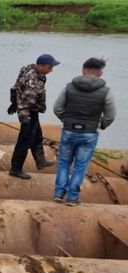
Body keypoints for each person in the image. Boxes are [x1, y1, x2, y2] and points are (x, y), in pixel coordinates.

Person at [52, 57, 116, 206]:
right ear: (100, 73)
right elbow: (110, 115)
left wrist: (65, 120)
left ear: (83, 70)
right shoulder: (106, 91)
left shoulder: (69, 87)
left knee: (63, 163)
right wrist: (101, 125)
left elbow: (57, 108)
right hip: (89, 133)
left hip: (69, 130)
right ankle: (72, 198)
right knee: (80, 166)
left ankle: (58, 194)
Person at [7, 54, 60, 179]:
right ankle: (15, 169)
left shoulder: (28, 69)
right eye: (49, 67)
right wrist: (25, 121)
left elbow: (14, 88)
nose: (51, 70)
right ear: (40, 66)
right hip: (28, 113)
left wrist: (14, 103)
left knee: (37, 136)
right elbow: (26, 103)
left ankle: (40, 161)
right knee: (24, 141)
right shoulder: (33, 80)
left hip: (32, 110)